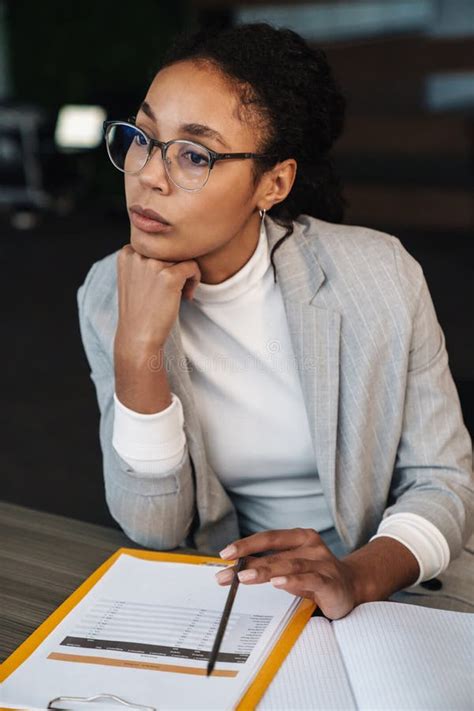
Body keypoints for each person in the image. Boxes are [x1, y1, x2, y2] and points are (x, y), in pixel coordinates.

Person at [77, 23, 473, 619]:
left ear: (274, 183)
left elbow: (443, 483)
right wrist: (138, 352)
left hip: (394, 584)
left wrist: (353, 576)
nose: (148, 175)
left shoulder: (376, 274)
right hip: (239, 598)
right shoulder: (108, 292)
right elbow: (154, 527)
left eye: (194, 155)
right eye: (142, 137)